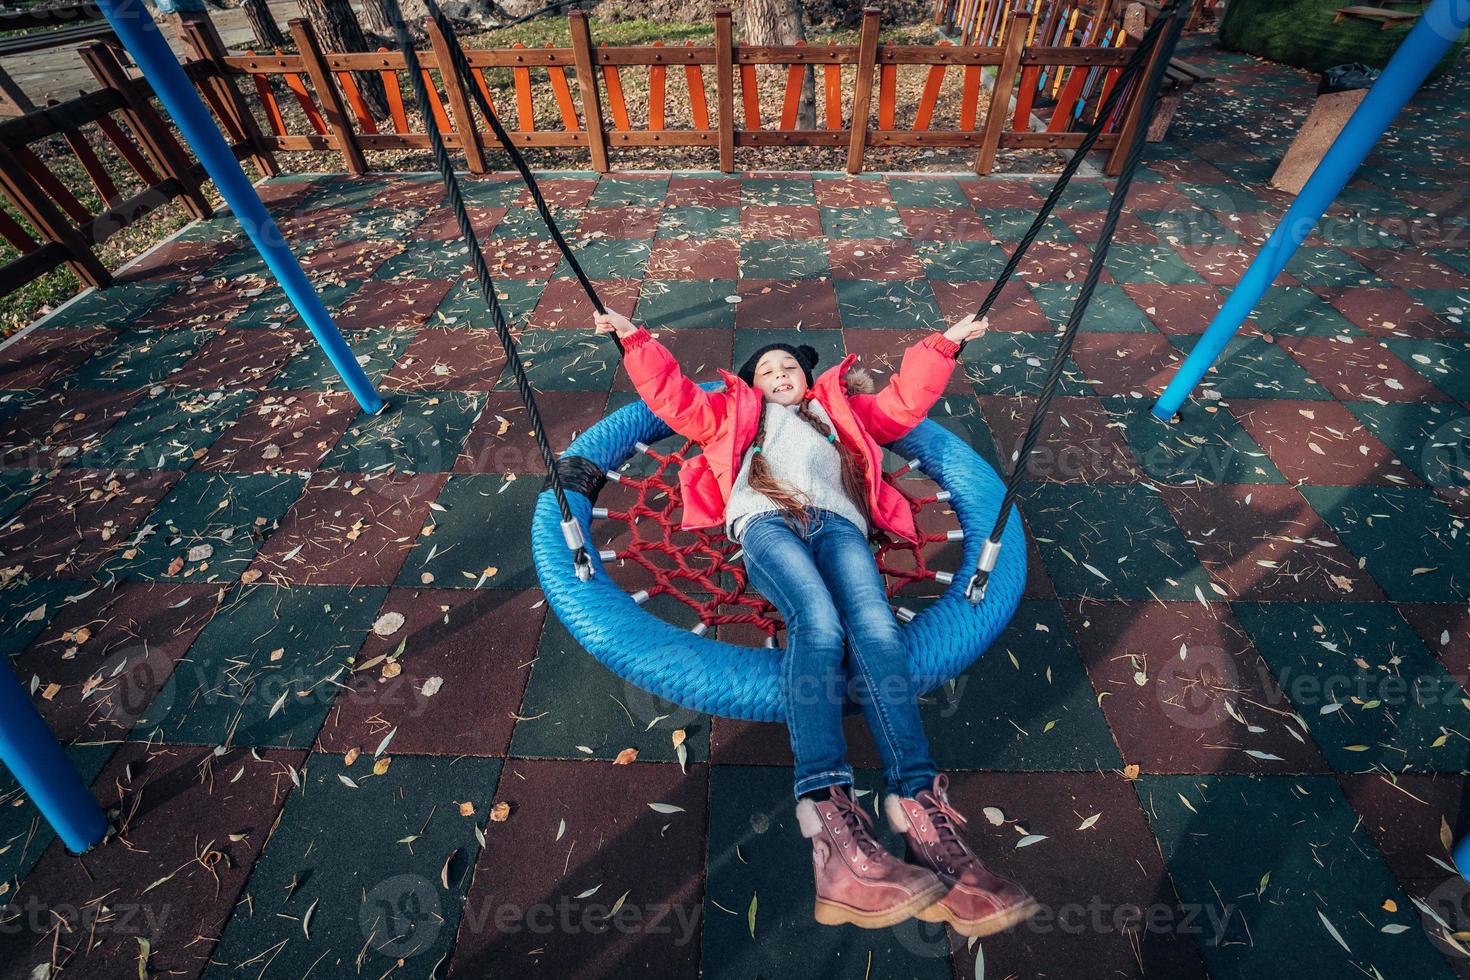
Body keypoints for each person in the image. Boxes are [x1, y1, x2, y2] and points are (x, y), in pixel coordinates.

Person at [594, 309, 1038, 936]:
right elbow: (673, 397)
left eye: (790, 367)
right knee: (820, 622)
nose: (779, 374)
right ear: (752, 385)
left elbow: (906, 401)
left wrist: (944, 344)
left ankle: (925, 824)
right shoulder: (731, 417)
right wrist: (633, 339)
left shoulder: (845, 415)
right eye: (767, 369)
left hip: (840, 525)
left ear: (809, 378)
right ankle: (830, 827)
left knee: (877, 630)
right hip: (766, 523)